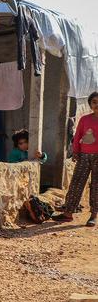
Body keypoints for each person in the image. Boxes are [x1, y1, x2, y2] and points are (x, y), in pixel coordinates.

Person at [53, 91, 98, 227]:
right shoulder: (85, 119)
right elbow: (78, 135)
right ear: (90, 104)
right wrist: (76, 151)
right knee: (76, 183)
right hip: (84, 155)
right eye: (94, 102)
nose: (97, 104)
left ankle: (93, 216)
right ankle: (68, 213)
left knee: (96, 186)